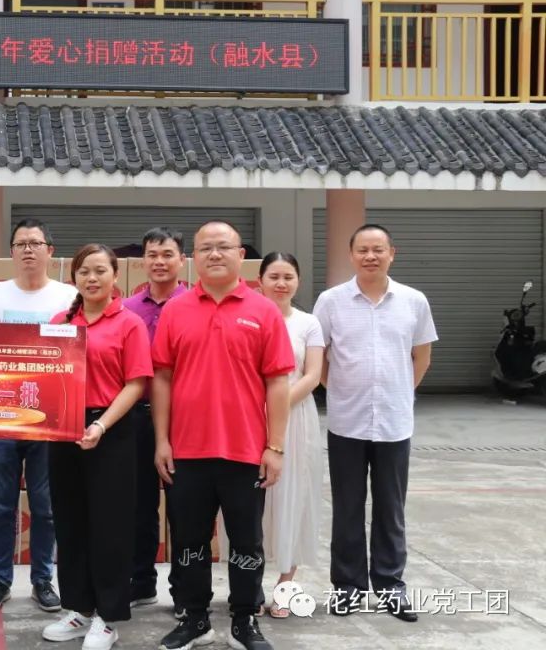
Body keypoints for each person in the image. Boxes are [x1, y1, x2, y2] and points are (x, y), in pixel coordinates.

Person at [153, 221, 294, 650]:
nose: (215, 254)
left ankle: (244, 619)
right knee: (189, 541)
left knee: (247, 541)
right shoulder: (176, 310)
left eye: (224, 247)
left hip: (245, 450)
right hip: (186, 451)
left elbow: (278, 382)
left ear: (241, 255)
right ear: (193, 257)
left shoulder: (263, 311)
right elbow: (162, 377)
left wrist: (275, 446)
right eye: (206, 248)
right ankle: (194, 618)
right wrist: (162, 440)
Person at [313, 224, 437, 622]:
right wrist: (339, 390)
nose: (371, 256)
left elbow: (422, 357)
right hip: (346, 422)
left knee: (390, 508)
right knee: (347, 507)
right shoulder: (331, 302)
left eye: (378, 249)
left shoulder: (414, 301)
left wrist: (399, 392)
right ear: (351, 255)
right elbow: (318, 357)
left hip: (395, 424)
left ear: (391, 253)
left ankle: (390, 586)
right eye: (363, 249)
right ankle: (347, 588)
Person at [42, 244, 152, 650]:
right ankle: (78, 608)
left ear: (115, 276)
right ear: (74, 277)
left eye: (100, 271)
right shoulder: (59, 322)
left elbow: (136, 383)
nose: (92, 278)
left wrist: (101, 425)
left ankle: (108, 616)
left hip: (113, 431)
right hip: (64, 431)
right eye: (84, 271)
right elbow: (44, 376)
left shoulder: (129, 323)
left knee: (110, 526)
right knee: (70, 522)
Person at [0, 218, 76, 613]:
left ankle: (42, 580)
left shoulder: (68, 296)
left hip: (50, 418)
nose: (28, 249)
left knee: (45, 506)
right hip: (1, 414)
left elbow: (74, 355)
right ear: (12, 252)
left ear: (50, 251)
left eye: (36, 243)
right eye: (21, 244)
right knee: (1, 505)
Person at [122, 227, 188, 613]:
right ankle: (141, 582)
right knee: (138, 505)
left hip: (183, 419)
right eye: (152, 255)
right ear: (142, 261)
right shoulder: (127, 308)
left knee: (184, 507)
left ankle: (183, 591)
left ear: (182, 260)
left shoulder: (195, 305)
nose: (159, 262)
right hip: (135, 417)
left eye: (167, 254)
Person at [256, 252, 324, 618]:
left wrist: (275, 408)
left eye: (288, 277)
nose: (281, 284)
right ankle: (249, 586)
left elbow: (312, 376)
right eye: (274, 276)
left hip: (296, 420)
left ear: (297, 282)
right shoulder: (249, 316)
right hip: (250, 420)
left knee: (294, 497)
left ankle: (285, 587)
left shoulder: (309, 323)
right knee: (251, 503)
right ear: (260, 280)